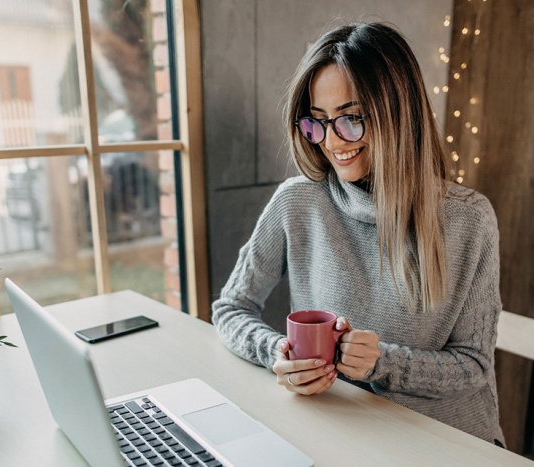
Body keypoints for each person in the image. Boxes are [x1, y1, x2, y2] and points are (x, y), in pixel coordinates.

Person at [211, 21, 505, 446]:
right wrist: (277, 353)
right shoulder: (298, 201)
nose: (331, 142)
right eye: (317, 121)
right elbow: (231, 308)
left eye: (351, 119)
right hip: (341, 432)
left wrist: (382, 363)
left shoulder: (469, 219)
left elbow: (473, 365)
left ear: (398, 114)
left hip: (446, 441)